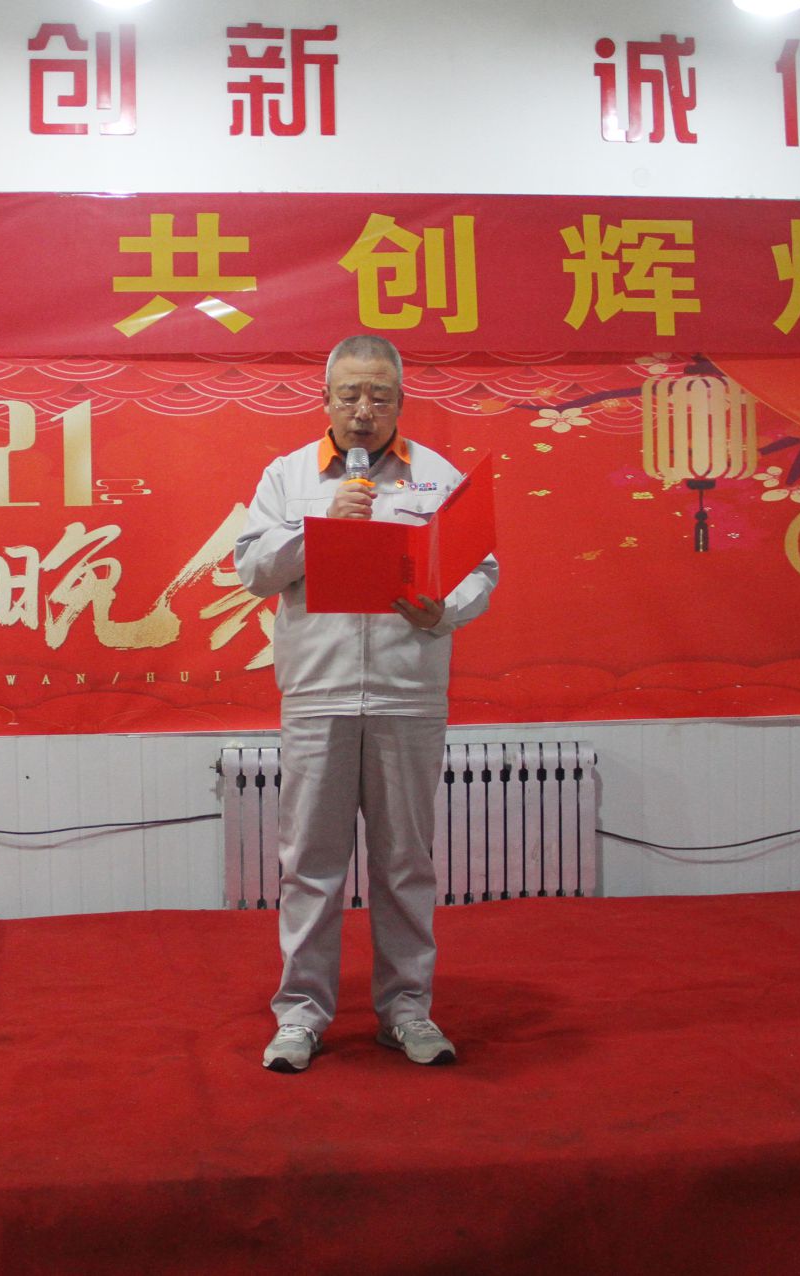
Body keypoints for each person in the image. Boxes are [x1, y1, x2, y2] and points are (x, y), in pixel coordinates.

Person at [234, 334, 499, 1073]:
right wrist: (318, 530)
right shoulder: (289, 476)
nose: (363, 410)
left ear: (400, 402)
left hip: (408, 693)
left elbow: (480, 569)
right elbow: (252, 568)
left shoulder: (436, 476)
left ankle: (407, 1010)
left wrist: (444, 609)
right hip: (317, 693)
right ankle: (301, 1015)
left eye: (379, 396)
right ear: (325, 400)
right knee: (309, 864)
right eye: (349, 394)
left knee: (405, 862)